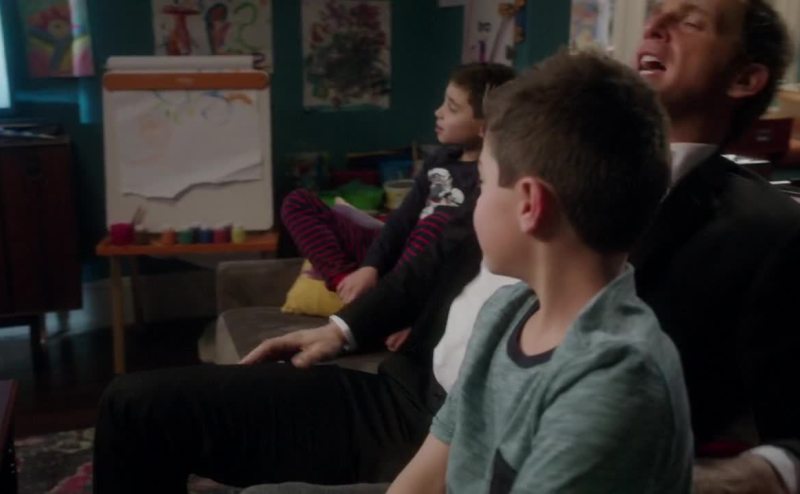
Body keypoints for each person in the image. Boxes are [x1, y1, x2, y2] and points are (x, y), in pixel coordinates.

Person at [389, 49, 691, 493]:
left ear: (530, 205)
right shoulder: (505, 310)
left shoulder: (610, 382)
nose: (476, 202)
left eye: (484, 184)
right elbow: (430, 472)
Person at [281, 63, 515, 306]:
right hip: (393, 254)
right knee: (297, 201)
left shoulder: (490, 177)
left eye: (452, 108)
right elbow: (403, 218)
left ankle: (387, 301)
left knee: (434, 225)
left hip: (425, 271)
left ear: (485, 126)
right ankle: (346, 283)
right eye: (444, 103)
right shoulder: (441, 159)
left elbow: (460, 251)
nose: (438, 112)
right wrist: (371, 266)